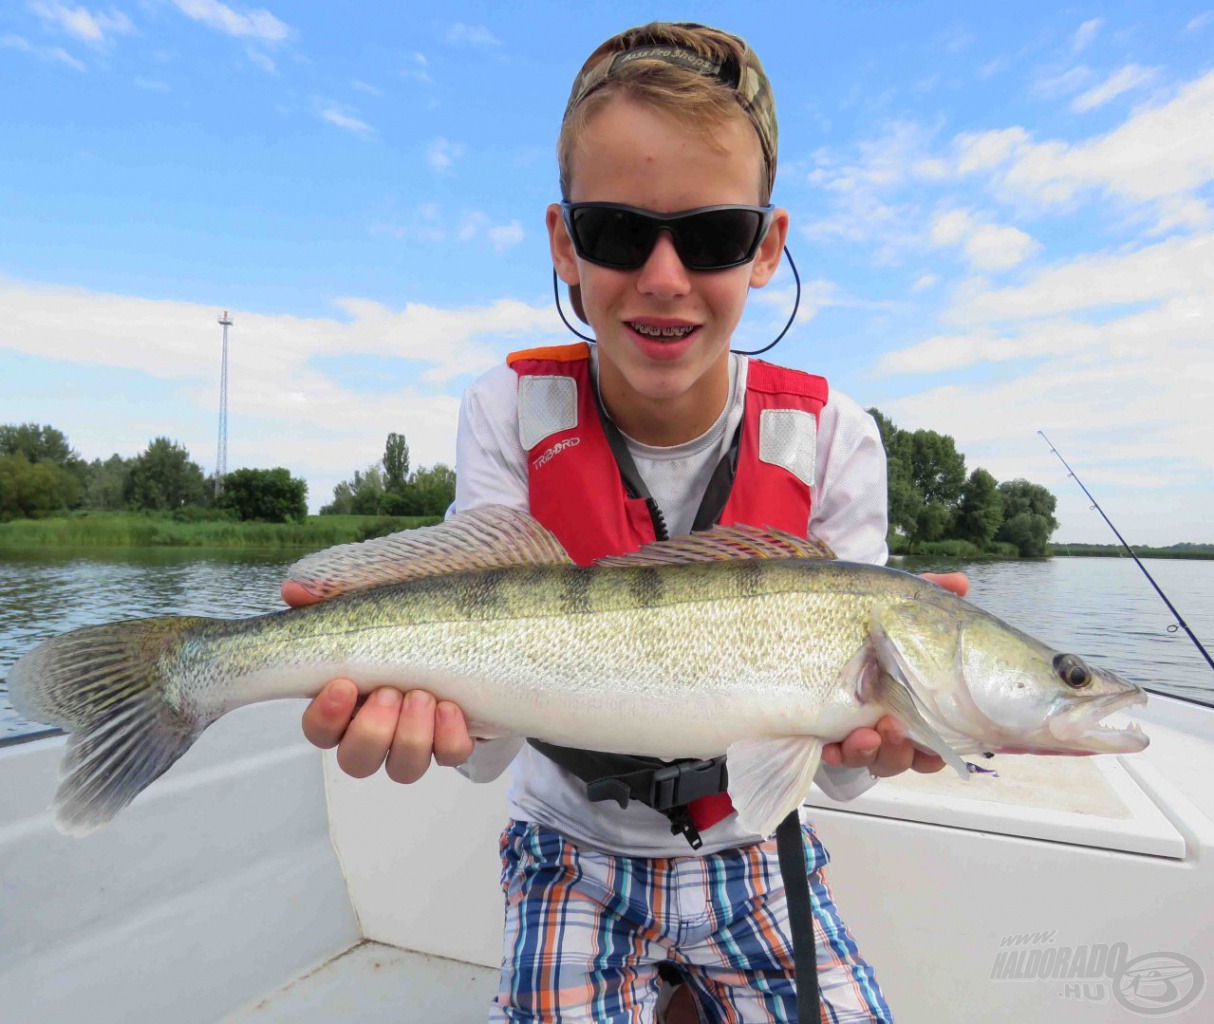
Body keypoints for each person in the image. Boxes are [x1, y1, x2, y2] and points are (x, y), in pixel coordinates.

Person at [284, 22, 966, 1023]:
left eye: (711, 236)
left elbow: (844, 774)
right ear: (563, 240)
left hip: (756, 856)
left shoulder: (836, 437)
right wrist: (437, 719)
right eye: (614, 232)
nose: (660, 276)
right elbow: (482, 749)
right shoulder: (503, 411)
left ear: (766, 247)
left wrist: (886, 737)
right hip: (565, 846)